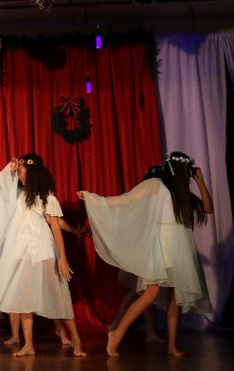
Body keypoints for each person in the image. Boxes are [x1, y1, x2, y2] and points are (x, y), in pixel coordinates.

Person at [78, 151, 214, 357]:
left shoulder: (182, 193)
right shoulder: (156, 184)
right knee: (151, 293)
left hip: (179, 247)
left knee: (175, 298)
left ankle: (172, 346)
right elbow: (126, 200)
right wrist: (95, 200)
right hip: (160, 244)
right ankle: (116, 334)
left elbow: (208, 209)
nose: (187, 175)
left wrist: (200, 181)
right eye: (186, 171)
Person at [0, 154, 86, 357]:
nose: (19, 175)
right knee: (24, 299)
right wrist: (9, 170)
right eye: (18, 173)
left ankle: (76, 340)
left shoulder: (46, 197)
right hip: (21, 251)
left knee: (59, 295)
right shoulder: (18, 195)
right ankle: (28, 344)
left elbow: (55, 226)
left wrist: (62, 257)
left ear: (32, 173)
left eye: (21, 172)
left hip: (42, 250)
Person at [106, 165, 165, 344]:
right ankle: (116, 325)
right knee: (138, 291)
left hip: (147, 248)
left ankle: (149, 332)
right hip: (142, 249)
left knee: (144, 292)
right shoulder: (143, 200)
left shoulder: (154, 200)